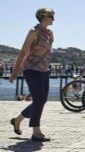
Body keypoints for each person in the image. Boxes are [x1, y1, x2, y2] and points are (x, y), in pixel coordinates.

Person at [9, 8, 55, 142]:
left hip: (45, 70)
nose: (53, 19)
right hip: (31, 69)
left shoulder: (50, 33)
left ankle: (17, 120)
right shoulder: (33, 32)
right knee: (39, 99)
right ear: (43, 16)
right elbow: (23, 52)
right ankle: (36, 131)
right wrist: (14, 73)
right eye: (51, 16)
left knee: (42, 100)